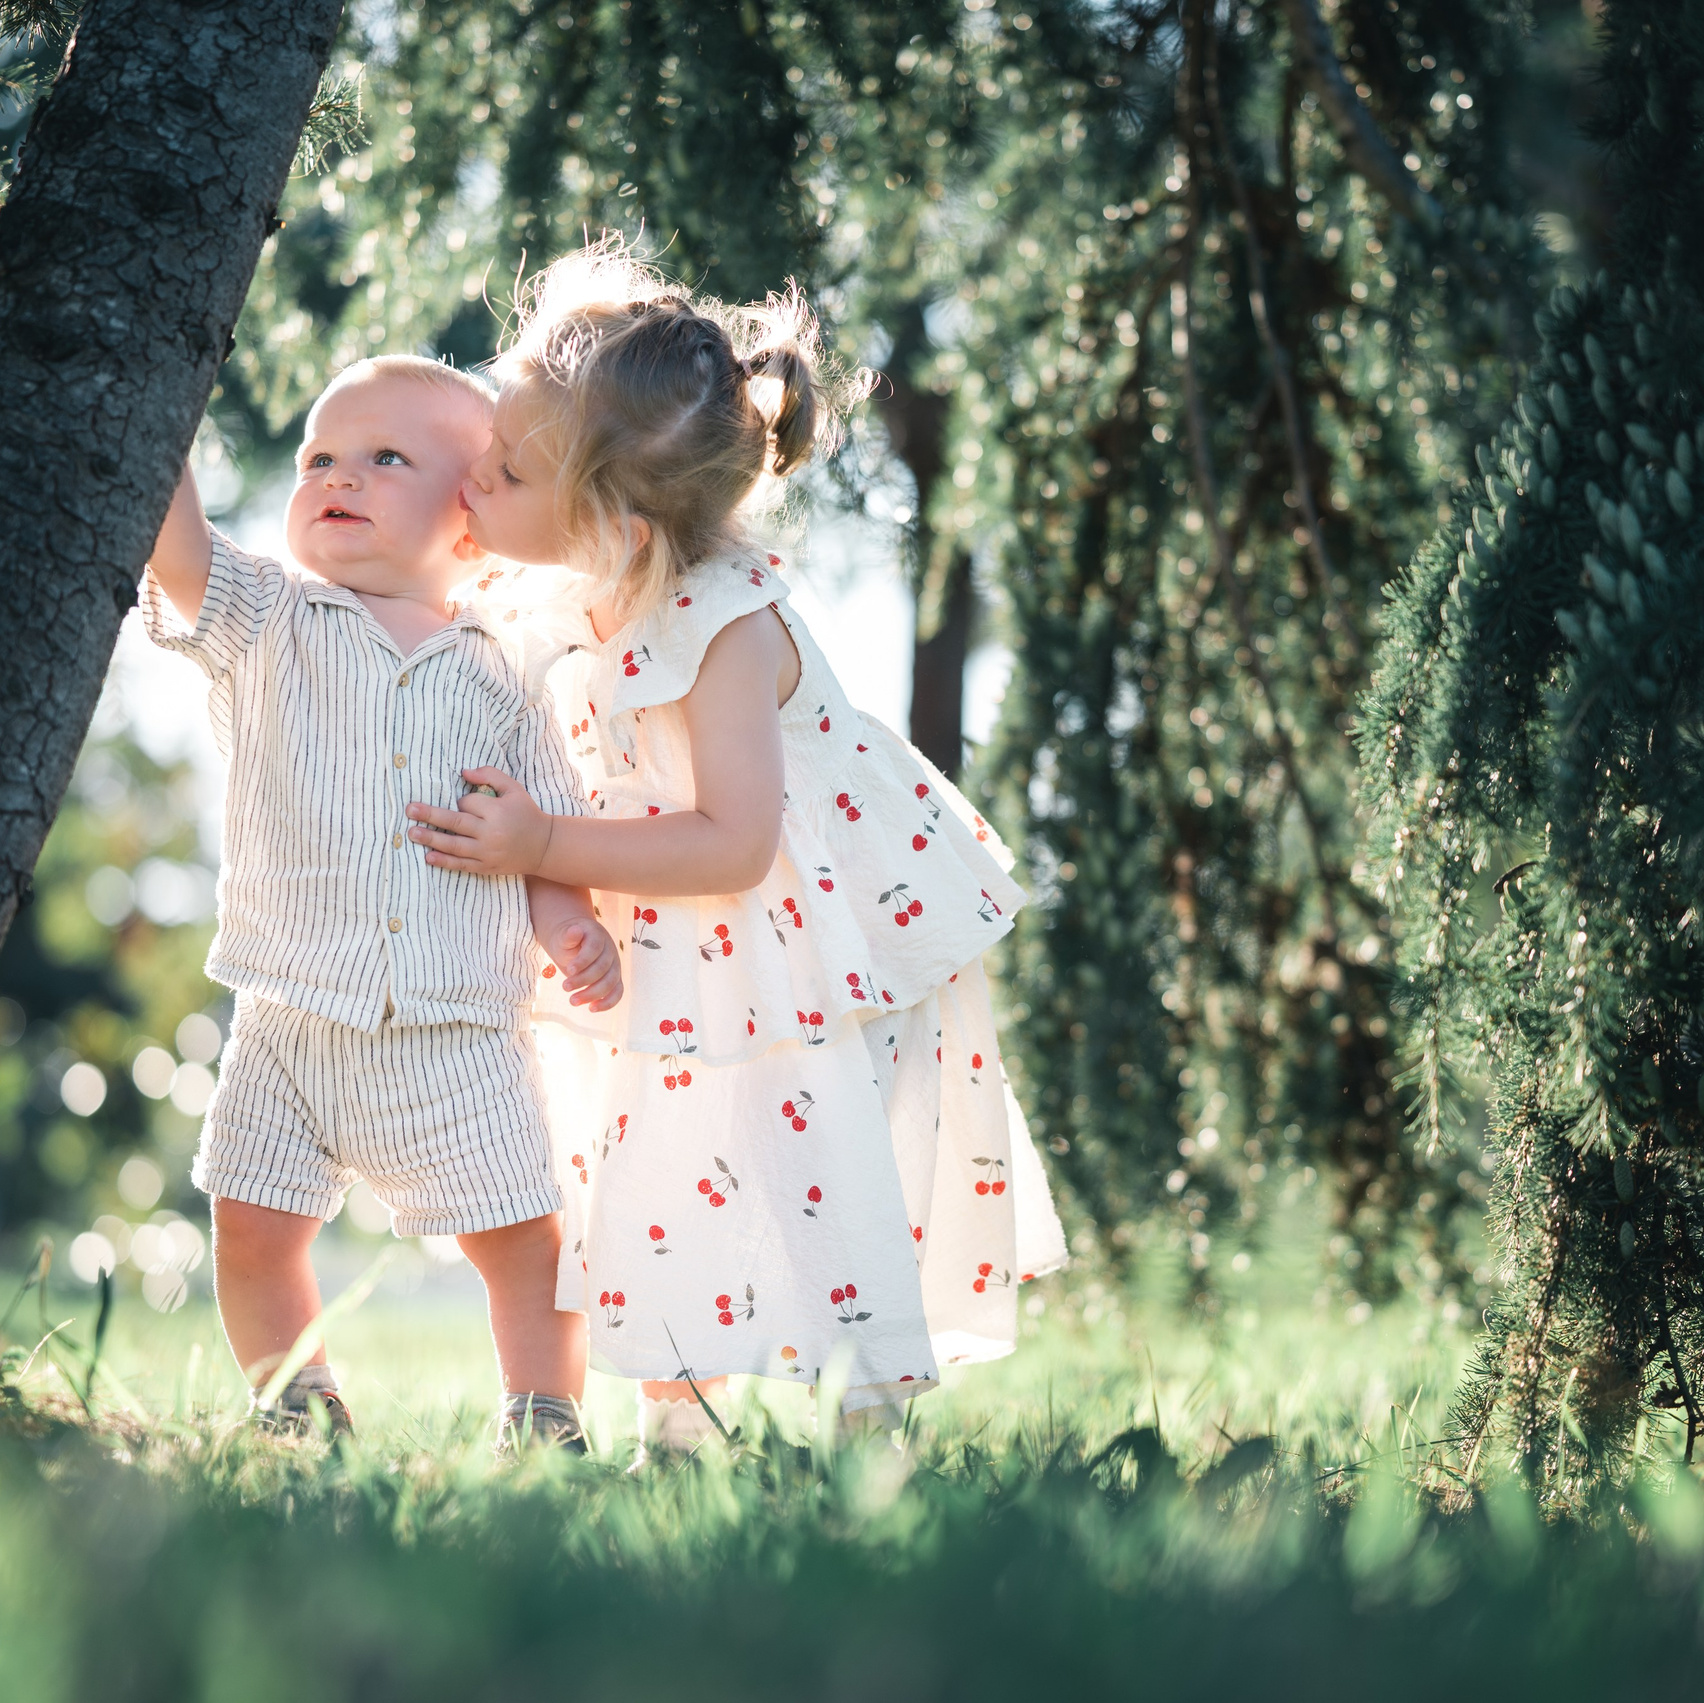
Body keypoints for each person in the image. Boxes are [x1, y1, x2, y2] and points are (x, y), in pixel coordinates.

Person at [405, 247, 1065, 1452]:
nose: (472, 480)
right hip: (669, 935)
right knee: (656, 1157)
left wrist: (542, 839)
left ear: (614, 520)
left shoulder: (722, 623)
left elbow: (738, 839)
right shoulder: (567, 590)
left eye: (503, 471)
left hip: (803, 938)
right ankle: (682, 1418)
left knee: (817, 1154)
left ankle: (875, 1414)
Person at [144, 355, 621, 1448]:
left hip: (453, 1020)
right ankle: (298, 1403)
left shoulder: (504, 670)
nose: (336, 476)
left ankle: (544, 1412)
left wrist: (569, 921)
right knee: (252, 1228)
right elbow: (180, 553)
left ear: (473, 520)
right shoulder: (266, 614)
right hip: (289, 1011)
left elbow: (540, 822)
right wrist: (155, 396)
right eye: (319, 457)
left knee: (523, 1238)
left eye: (383, 457)